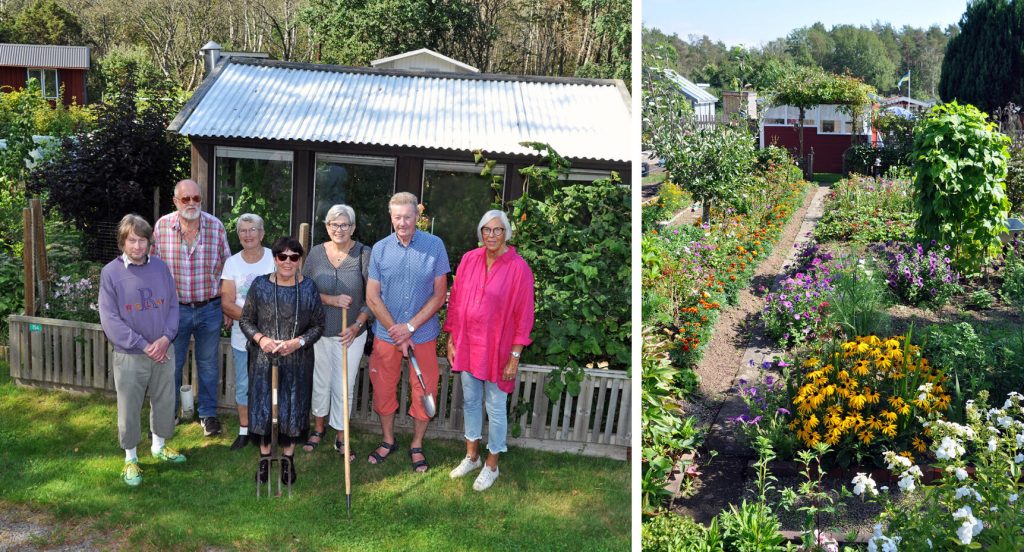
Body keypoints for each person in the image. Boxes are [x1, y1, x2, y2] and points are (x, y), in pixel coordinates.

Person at [444, 210, 535, 491]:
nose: (491, 235)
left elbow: (525, 314)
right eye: (486, 230)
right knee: (470, 402)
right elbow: (457, 301)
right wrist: (452, 338)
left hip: (499, 349)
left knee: (495, 408)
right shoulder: (470, 259)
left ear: (506, 232)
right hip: (469, 344)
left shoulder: (519, 268)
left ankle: (492, 464)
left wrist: (515, 354)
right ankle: (472, 456)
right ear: (480, 232)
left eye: (497, 230)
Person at [98, 214, 187, 486]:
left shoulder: (161, 268)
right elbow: (109, 319)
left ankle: (159, 447)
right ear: (122, 242)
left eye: (142, 240)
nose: (137, 246)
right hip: (130, 355)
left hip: (163, 350)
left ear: (150, 242)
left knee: (163, 400)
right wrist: (143, 344)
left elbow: (173, 305)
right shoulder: (111, 273)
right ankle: (131, 458)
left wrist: (165, 338)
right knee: (129, 407)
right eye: (131, 240)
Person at [365, 192, 450, 473]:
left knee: (424, 390)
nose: (402, 222)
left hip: (422, 335)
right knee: (383, 389)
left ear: (417, 217)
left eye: (408, 216)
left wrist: (410, 327)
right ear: (391, 217)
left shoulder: (434, 246)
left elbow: (440, 295)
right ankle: (388, 440)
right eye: (397, 217)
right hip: (386, 336)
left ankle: (416, 444)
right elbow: (372, 298)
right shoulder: (380, 249)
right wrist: (396, 330)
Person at [240, 237, 325, 484]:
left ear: (300, 260)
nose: (288, 262)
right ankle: (264, 460)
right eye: (282, 256)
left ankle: (288, 460)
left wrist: (297, 342)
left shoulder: (309, 288)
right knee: (263, 408)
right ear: (275, 258)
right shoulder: (260, 285)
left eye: (294, 257)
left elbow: (319, 325)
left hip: (297, 360)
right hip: (264, 360)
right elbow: (246, 320)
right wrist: (261, 339)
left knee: (293, 408)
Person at [152, 179, 231, 437]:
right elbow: (151, 269)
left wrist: (229, 307)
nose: (191, 203)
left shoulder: (216, 227)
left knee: (208, 365)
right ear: (175, 201)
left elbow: (227, 269)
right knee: (171, 365)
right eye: (185, 199)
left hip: (209, 308)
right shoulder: (162, 227)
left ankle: (207, 415)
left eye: (196, 198)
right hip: (175, 312)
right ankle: (169, 413)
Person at [302, 204, 372, 460]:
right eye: (334, 224)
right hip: (320, 332)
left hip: (350, 334)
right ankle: (318, 429)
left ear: (353, 227)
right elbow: (304, 290)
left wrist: (357, 325)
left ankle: (341, 436)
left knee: (344, 384)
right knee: (320, 382)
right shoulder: (316, 254)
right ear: (327, 227)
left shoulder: (364, 253)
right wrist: (331, 300)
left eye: (344, 225)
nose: (339, 229)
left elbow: (372, 297)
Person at [220, 214, 274, 450]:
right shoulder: (232, 263)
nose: (248, 234)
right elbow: (227, 303)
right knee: (244, 385)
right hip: (243, 337)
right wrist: (253, 323)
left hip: (273, 337)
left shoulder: (275, 258)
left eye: (253, 230)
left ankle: (268, 429)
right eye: (243, 231)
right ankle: (244, 431)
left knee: (271, 384)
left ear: (262, 233)